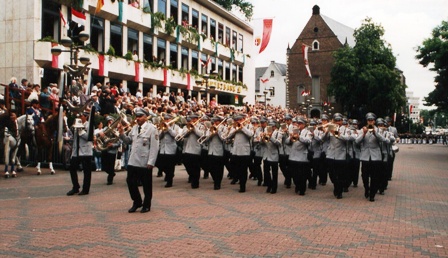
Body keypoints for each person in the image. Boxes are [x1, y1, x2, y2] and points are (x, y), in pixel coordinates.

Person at [119, 108, 159, 213]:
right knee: (130, 181)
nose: (137, 119)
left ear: (146, 117)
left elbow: (154, 147)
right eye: (137, 116)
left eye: (140, 116)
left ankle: (146, 204)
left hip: (144, 161)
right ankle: (137, 201)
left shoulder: (152, 128)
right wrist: (121, 134)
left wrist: (151, 162)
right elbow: (129, 141)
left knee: (146, 185)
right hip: (133, 160)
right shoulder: (134, 128)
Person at [355, 112, 386, 202]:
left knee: (374, 176)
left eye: (372, 120)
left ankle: (372, 194)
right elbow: (357, 141)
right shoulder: (362, 129)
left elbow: (383, 140)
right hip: (365, 156)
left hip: (375, 156)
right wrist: (363, 134)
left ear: (374, 121)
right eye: (369, 120)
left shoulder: (379, 130)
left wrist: (375, 133)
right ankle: (366, 188)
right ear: (367, 121)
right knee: (365, 175)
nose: (370, 122)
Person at [225, 114, 254, 193]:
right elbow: (228, 137)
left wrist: (242, 128)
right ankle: (237, 178)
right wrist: (235, 130)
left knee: (243, 169)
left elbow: (251, 134)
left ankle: (242, 186)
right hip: (236, 151)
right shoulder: (235, 127)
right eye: (237, 120)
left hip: (244, 151)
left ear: (243, 119)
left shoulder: (248, 126)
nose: (238, 121)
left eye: (240, 120)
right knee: (234, 166)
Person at [67, 116, 93, 196]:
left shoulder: (89, 125)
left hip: (86, 151)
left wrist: (80, 131)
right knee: (72, 168)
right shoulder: (76, 123)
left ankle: (85, 189)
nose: (79, 117)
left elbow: (89, 137)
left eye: (81, 116)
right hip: (76, 151)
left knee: (87, 171)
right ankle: (75, 187)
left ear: (85, 117)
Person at [157, 113, 180, 187]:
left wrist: (169, 128)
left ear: (172, 120)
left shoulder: (176, 127)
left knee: (170, 166)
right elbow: (158, 137)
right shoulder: (162, 126)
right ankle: (169, 174)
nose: (167, 121)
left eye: (168, 119)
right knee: (161, 164)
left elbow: (175, 135)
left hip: (171, 149)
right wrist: (163, 131)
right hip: (163, 149)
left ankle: (170, 181)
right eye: (166, 119)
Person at [97, 116, 122, 185]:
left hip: (112, 151)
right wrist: (100, 134)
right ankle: (112, 173)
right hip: (105, 149)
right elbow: (97, 135)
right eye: (109, 122)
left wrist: (113, 145)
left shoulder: (117, 131)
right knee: (104, 166)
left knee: (111, 166)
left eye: (111, 121)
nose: (110, 123)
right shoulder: (105, 129)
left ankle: (110, 179)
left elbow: (120, 142)